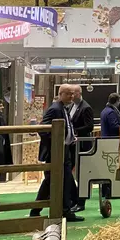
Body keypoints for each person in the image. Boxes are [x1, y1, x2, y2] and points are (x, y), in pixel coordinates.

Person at [29, 84, 83, 222]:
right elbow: (43, 128)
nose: (71, 96)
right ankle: (61, 211)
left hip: (64, 150)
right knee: (54, 181)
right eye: (68, 94)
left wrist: (70, 137)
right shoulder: (55, 109)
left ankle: (43, 210)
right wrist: (55, 144)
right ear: (61, 94)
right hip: (57, 152)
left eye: (72, 94)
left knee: (58, 181)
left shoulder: (63, 108)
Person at [69, 85, 94, 212]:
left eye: (73, 93)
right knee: (70, 173)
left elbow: (89, 126)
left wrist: (73, 131)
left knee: (81, 175)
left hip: (83, 146)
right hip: (73, 145)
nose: (71, 96)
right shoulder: (71, 106)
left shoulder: (86, 107)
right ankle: (73, 199)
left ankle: (81, 202)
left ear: (79, 93)